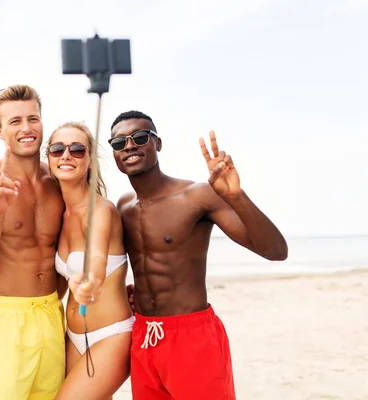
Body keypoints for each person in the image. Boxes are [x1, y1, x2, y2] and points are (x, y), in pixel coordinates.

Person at [109, 111, 288, 400]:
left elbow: (276, 251)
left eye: (139, 138)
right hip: (143, 335)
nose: (129, 146)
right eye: (119, 143)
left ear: (158, 144)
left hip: (191, 336)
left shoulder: (196, 196)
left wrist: (236, 196)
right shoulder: (124, 206)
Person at [0, 84, 66, 400]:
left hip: (51, 314)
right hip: (2, 318)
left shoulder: (57, 182)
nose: (26, 128)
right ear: (0, 131)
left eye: (33, 119)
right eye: (15, 121)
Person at [46, 122, 132, 399]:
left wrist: (89, 283)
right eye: (57, 149)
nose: (66, 156)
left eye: (77, 150)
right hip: (73, 336)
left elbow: (95, 260)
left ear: (91, 161)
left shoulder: (101, 210)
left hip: (111, 335)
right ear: (48, 158)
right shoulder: (60, 214)